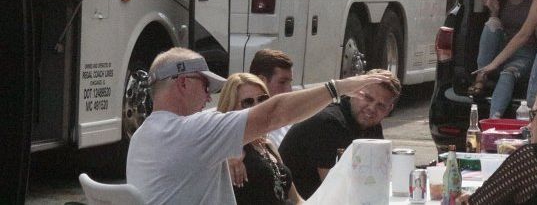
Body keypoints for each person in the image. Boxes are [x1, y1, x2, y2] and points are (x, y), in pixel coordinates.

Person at [126, 47, 393, 205]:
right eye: (206, 86)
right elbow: (273, 113)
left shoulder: (142, 136)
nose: (209, 97)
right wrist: (341, 87)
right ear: (183, 83)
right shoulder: (190, 131)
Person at [279, 68, 402, 199]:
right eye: (367, 98)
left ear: (389, 109)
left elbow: (379, 176)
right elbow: (335, 189)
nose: (372, 108)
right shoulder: (329, 122)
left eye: (381, 106)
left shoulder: (372, 126)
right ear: (353, 92)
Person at [472, 0, 537, 117]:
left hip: (524, 52)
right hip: (502, 50)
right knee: (492, 22)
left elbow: (530, 33)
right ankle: (482, 74)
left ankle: (494, 118)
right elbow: (496, 30)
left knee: (507, 73)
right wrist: (494, 11)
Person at [217, 73, 300, 205]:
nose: (258, 107)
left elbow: (296, 200)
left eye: (262, 99)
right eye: (248, 102)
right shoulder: (225, 150)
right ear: (231, 108)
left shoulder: (267, 145)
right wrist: (226, 154)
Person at [249, 49, 295, 146]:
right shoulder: (245, 128)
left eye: (290, 83)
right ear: (261, 81)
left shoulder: (291, 122)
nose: (289, 90)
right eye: (282, 82)